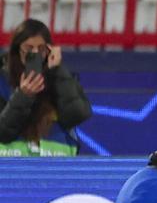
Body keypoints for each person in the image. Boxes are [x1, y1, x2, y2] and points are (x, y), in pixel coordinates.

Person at [0, 19, 92, 157]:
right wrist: (23, 96)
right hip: (12, 163)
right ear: (17, 49)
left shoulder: (59, 76)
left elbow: (77, 115)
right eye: (29, 48)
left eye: (41, 49)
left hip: (55, 160)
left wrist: (58, 71)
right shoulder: (2, 80)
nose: (35, 53)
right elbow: (3, 133)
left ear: (49, 49)